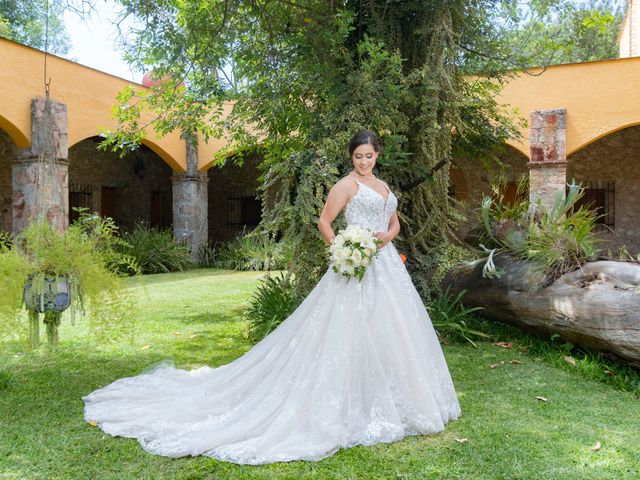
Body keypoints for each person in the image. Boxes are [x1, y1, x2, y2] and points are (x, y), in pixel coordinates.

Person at [83, 130, 461, 465]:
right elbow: (325, 222)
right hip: (357, 266)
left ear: (378, 155)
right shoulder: (346, 185)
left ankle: (392, 398)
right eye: (358, 156)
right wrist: (345, 251)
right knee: (346, 330)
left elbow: (393, 222)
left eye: (369, 155)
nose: (364, 161)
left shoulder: (383, 186)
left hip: (388, 268)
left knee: (390, 330)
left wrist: (387, 237)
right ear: (351, 157)